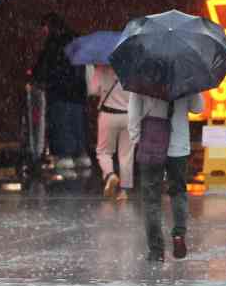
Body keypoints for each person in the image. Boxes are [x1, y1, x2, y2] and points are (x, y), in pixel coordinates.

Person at [129, 92, 204, 262]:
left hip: (151, 142)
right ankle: (178, 234)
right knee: (178, 192)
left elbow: (134, 111)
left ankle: (156, 250)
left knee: (151, 198)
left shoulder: (142, 74)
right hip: (179, 145)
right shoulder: (187, 76)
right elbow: (198, 108)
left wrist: (136, 139)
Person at [30, 13, 91, 171]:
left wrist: (37, 77)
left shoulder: (54, 44)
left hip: (59, 92)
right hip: (78, 93)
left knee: (61, 124)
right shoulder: (77, 42)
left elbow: (42, 68)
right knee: (77, 124)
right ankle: (81, 154)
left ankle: (65, 156)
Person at [87, 64, 134, 201]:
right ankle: (124, 191)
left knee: (104, 151)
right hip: (129, 116)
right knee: (126, 155)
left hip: (108, 114)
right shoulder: (133, 67)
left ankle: (110, 175)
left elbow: (92, 91)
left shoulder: (101, 68)